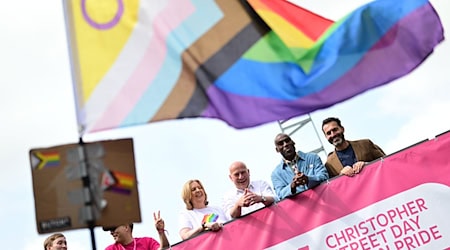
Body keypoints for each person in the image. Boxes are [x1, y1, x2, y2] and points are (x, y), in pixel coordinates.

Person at [321, 117, 386, 178]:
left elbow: (386, 162)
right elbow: (332, 186)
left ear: (342, 129)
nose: (333, 135)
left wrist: (367, 165)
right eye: (328, 133)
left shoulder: (366, 144)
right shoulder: (329, 164)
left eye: (335, 130)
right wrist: (341, 177)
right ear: (326, 137)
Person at [271, 133, 329, 200]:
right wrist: (292, 186)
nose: (285, 144)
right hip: (301, 209)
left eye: (287, 141)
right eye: (281, 143)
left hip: (323, 201)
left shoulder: (313, 157)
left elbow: (324, 177)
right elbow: (279, 195)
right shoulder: (276, 174)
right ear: (277, 150)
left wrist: (308, 179)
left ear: (293, 142)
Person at [103, 211, 170, 250]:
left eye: (113, 229)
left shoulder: (147, 242)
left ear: (126, 227)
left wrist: (161, 232)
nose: (111, 233)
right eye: (110, 230)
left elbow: (165, 249)